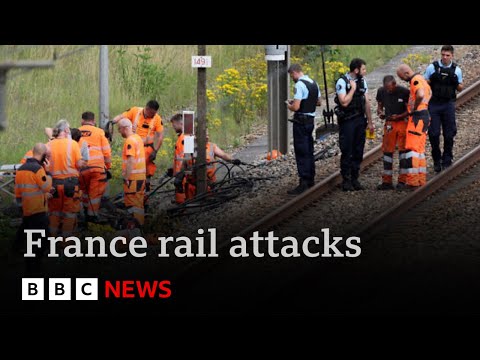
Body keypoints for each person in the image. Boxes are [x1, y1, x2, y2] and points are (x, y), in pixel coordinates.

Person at [334, 58, 374, 191]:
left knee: (358, 150)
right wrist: (353, 89)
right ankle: (346, 180)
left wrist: (370, 122)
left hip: (360, 120)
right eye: (363, 69)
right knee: (347, 150)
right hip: (347, 121)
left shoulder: (362, 81)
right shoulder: (342, 82)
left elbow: (366, 102)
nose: (365, 71)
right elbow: (344, 102)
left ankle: (355, 178)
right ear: (356, 70)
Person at [424, 45, 464, 172]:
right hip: (434, 104)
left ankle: (447, 159)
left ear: (452, 56)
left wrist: (455, 81)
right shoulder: (432, 67)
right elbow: (424, 84)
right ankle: (436, 160)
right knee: (434, 133)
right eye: (443, 55)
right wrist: (431, 79)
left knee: (449, 133)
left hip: (448, 104)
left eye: (447, 55)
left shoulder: (456, 69)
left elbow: (460, 88)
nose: (445, 57)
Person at [14, 143, 52, 273]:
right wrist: (48, 172)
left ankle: (28, 260)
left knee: (30, 238)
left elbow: (18, 192)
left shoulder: (21, 169)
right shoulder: (38, 169)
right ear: (42, 155)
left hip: (27, 211)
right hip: (38, 211)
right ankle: (34, 269)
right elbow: (46, 186)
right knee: (38, 242)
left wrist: (22, 208)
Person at [113, 100, 164, 192]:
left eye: (155, 113)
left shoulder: (157, 118)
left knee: (147, 171)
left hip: (148, 148)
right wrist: (111, 122)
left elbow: (160, 136)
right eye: (152, 113)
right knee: (133, 169)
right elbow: (121, 117)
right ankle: (134, 189)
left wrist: (155, 151)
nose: (153, 115)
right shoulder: (135, 111)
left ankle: (145, 191)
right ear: (147, 109)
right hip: (135, 147)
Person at [286, 63, 321, 195]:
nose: (292, 78)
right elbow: (318, 102)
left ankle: (304, 181)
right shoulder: (314, 83)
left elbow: (296, 107)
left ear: (295, 72)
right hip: (310, 121)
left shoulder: (299, 85)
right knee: (309, 148)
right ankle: (311, 177)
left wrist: (289, 105)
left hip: (300, 121)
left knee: (301, 150)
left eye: (291, 75)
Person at [47, 120, 85, 237]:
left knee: (54, 213)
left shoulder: (48, 145)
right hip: (71, 184)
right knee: (69, 214)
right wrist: (84, 163)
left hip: (53, 184)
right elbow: (79, 164)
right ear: (66, 130)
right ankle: (66, 242)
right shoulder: (73, 144)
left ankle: (52, 240)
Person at [396, 64, 432, 189]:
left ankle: (412, 181)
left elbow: (421, 94)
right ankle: (420, 179)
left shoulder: (415, 80)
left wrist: (414, 108)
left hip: (417, 117)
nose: (402, 80)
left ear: (406, 73)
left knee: (412, 149)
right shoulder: (422, 79)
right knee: (420, 151)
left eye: (402, 77)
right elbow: (428, 94)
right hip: (425, 115)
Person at [376, 75, 410, 190]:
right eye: (386, 88)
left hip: (402, 123)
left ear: (394, 84)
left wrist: (399, 116)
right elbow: (379, 105)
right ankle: (387, 181)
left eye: (389, 88)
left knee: (403, 152)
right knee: (387, 152)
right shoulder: (381, 91)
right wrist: (380, 112)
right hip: (390, 123)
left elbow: (410, 109)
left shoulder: (404, 92)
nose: (388, 90)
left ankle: (402, 181)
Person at [78, 111, 112, 222]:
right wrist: (108, 167)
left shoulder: (76, 132)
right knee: (95, 194)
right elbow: (107, 153)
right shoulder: (99, 132)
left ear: (82, 121)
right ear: (94, 121)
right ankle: (92, 217)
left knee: (83, 192)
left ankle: (83, 213)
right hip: (97, 169)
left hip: (82, 168)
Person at [118, 118, 146, 226]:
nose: (119, 132)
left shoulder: (129, 141)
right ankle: (140, 227)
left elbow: (131, 160)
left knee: (132, 204)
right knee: (138, 204)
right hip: (140, 177)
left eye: (119, 129)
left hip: (133, 178)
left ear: (125, 128)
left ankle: (134, 230)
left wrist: (126, 176)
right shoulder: (137, 138)